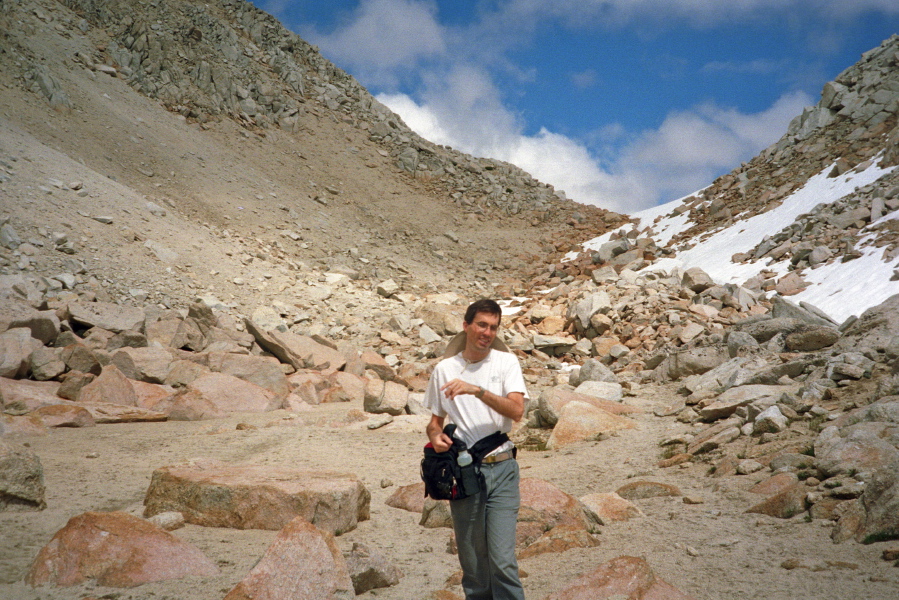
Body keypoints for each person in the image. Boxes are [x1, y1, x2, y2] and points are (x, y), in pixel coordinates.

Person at [423, 298, 528, 600]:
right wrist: (436, 436)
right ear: (466, 326)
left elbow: (517, 411)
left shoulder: (506, 362)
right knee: (473, 565)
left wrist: (477, 390)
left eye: (493, 327)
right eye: (481, 324)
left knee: (503, 561)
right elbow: (434, 422)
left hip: (502, 468)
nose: (487, 332)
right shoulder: (444, 369)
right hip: (465, 472)